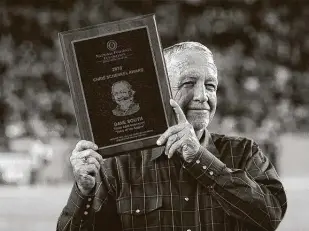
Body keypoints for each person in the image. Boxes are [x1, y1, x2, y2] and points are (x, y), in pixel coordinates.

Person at [57, 42, 287, 231]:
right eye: (188, 83)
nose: (202, 96)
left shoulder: (244, 152)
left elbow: (270, 216)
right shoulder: (118, 165)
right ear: (158, 90)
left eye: (210, 86)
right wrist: (84, 192)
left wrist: (199, 157)